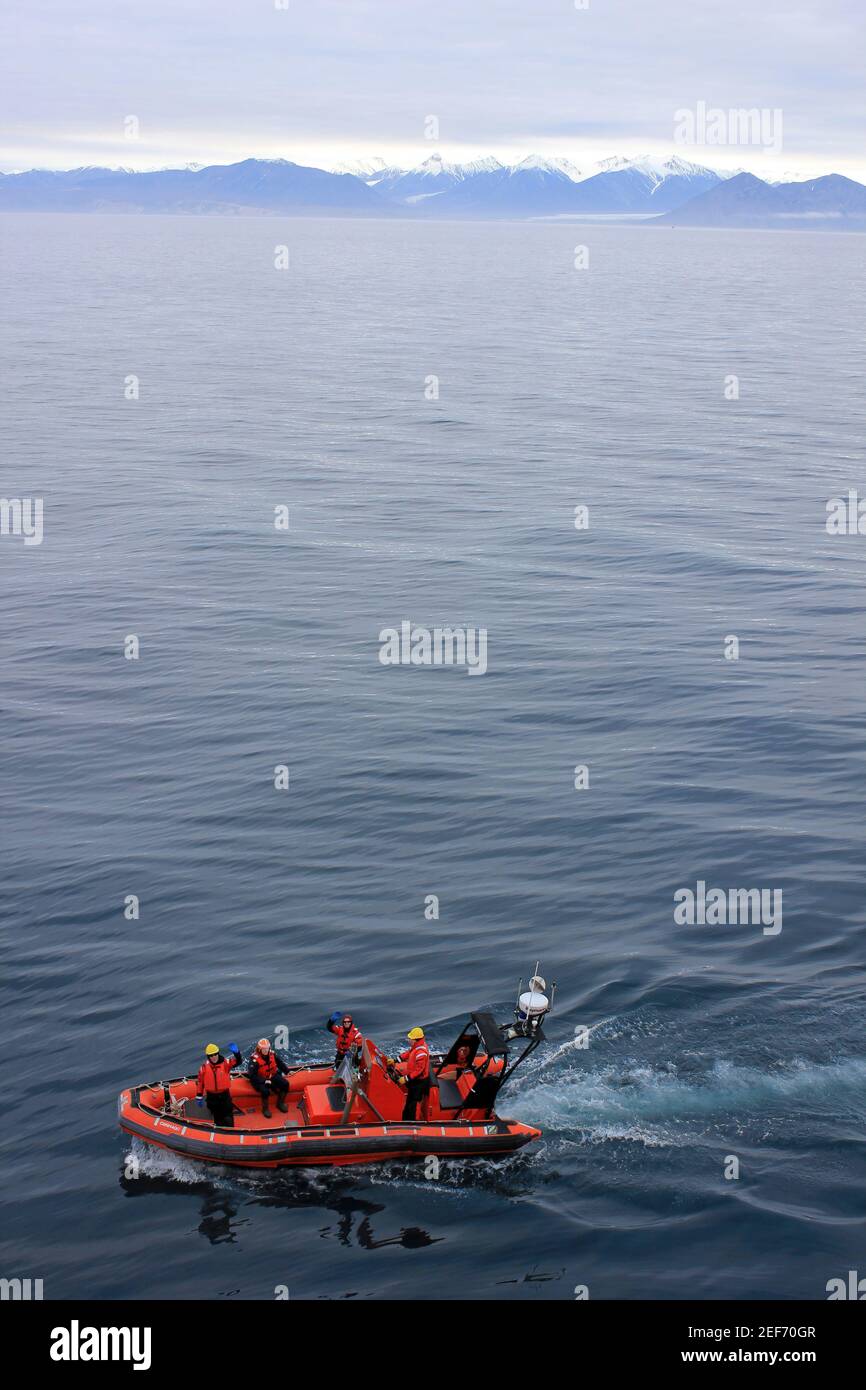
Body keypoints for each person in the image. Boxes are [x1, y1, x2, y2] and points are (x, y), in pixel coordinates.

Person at [195, 1042, 242, 1127]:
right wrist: (199, 1096)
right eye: (211, 1055)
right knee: (217, 1117)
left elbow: (239, 1062)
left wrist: (237, 1053)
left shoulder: (226, 1063)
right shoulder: (204, 1068)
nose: (213, 1057)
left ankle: (231, 1132)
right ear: (208, 1056)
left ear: (218, 1053)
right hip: (212, 1097)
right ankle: (219, 1131)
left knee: (228, 1116)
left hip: (224, 1095)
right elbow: (200, 1082)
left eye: (215, 1054)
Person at [247, 1037, 290, 1118]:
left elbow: (280, 1063)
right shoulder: (254, 1061)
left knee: (285, 1084)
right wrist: (264, 1081)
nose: (266, 1050)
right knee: (265, 1091)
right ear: (259, 1049)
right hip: (259, 1079)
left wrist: (287, 1071)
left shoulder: (272, 1054)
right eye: (264, 1049)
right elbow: (252, 1076)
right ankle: (265, 1109)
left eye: (267, 1048)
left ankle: (280, 1103)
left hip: (271, 1075)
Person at [398, 1026, 431, 1120]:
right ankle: (406, 1116)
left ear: (415, 1040)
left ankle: (412, 1122)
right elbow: (409, 1053)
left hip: (419, 1082)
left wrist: (406, 1078)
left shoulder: (421, 1052)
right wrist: (397, 1060)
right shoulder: (417, 1046)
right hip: (414, 1079)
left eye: (410, 1039)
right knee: (410, 1100)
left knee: (414, 1103)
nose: (408, 1040)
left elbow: (419, 1070)